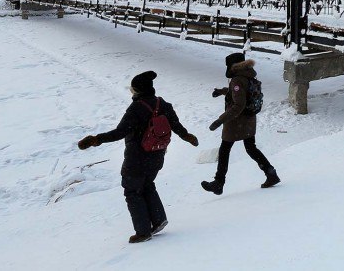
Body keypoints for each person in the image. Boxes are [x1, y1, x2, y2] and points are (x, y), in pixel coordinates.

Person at [78, 70, 199, 243]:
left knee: (132, 190)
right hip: (157, 155)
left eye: (132, 89)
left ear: (138, 90)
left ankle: (143, 232)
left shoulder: (136, 108)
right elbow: (176, 126)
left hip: (137, 157)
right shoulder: (162, 104)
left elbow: (120, 132)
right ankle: (158, 220)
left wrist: (96, 140)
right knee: (147, 184)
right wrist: (187, 136)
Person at [201, 52, 279, 194]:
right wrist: (222, 91)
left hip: (237, 122)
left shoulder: (237, 80)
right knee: (251, 148)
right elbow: (242, 93)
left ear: (232, 66)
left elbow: (238, 104)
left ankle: (219, 183)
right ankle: (271, 173)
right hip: (249, 119)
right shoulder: (248, 74)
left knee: (224, 150)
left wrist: (220, 120)